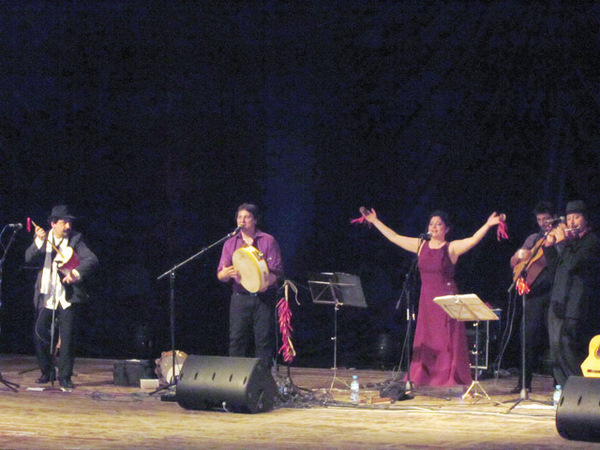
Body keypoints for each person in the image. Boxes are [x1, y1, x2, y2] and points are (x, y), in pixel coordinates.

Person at [362, 208, 502, 387]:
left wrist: (488, 225)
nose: (434, 227)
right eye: (431, 224)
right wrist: (375, 221)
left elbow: (472, 240)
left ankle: (446, 377)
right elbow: (395, 237)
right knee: (426, 339)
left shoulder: (451, 248)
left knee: (445, 341)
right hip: (427, 300)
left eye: (438, 224)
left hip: (445, 300)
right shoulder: (421, 245)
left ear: (447, 228)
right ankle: (423, 376)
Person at [25, 205, 99, 389]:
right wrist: (38, 243)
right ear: (53, 223)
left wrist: (75, 273)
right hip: (47, 295)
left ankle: (65, 376)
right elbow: (28, 258)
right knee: (39, 334)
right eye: (64, 222)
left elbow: (91, 260)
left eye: (69, 222)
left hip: (67, 296)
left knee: (67, 338)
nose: (68, 226)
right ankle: (47, 371)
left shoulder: (76, 239)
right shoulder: (44, 238)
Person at [217, 203, 283, 368]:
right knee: (237, 340)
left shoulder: (268, 240)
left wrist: (267, 283)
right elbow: (221, 274)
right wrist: (225, 274)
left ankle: (262, 381)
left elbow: (278, 271)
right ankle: (235, 381)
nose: (242, 220)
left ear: (254, 220)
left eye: (246, 217)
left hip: (263, 297)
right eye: (239, 217)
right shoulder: (230, 243)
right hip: (240, 297)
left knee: (263, 340)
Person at [543, 200, 600, 386]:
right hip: (558, 303)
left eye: (576, 217)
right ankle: (565, 392)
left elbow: (571, 264)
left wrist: (561, 245)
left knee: (567, 350)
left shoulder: (591, 242)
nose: (572, 222)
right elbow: (554, 271)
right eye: (568, 218)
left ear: (585, 219)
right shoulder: (569, 244)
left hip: (575, 306)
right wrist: (550, 247)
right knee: (555, 353)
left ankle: (579, 391)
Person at [509, 201, 556, 393]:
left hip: (553, 293)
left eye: (547, 219)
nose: (543, 223)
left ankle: (559, 383)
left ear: (554, 217)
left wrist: (552, 245)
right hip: (533, 296)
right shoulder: (534, 238)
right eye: (539, 219)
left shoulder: (559, 235)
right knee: (526, 338)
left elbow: (553, 259)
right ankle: (524, 384)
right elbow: (513, 262)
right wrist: (522, 254)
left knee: (555, 341)